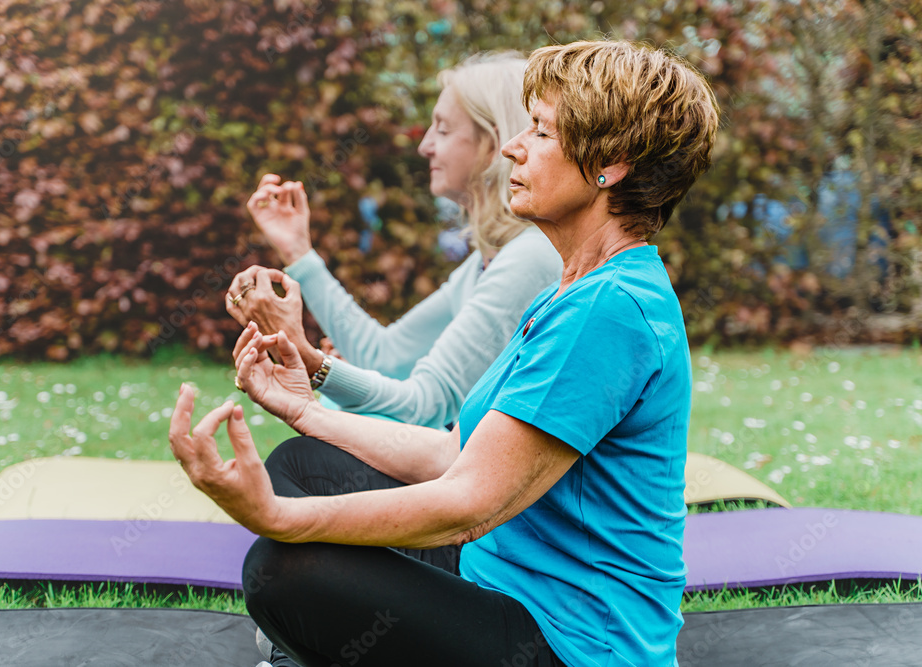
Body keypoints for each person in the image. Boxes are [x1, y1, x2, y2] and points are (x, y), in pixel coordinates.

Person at [170, 39, 720, 666]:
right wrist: (306, 409)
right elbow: (451, 451)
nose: (515, 146)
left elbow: (468, 506)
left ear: (610, 164)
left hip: (571, 645)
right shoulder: (578, 288)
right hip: (500, 578)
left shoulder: (608, 309)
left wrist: (275, 516)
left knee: (286, 564)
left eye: (539, 131)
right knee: (308, 462)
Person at [225, 52, 562, 429]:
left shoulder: (529, 258)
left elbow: (427, 404)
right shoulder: (488, 263)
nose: (425, 146)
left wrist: (309, 361)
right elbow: (384, 357)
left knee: (310, 457)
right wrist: (297, 252)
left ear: (494, 143)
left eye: (444, 130)